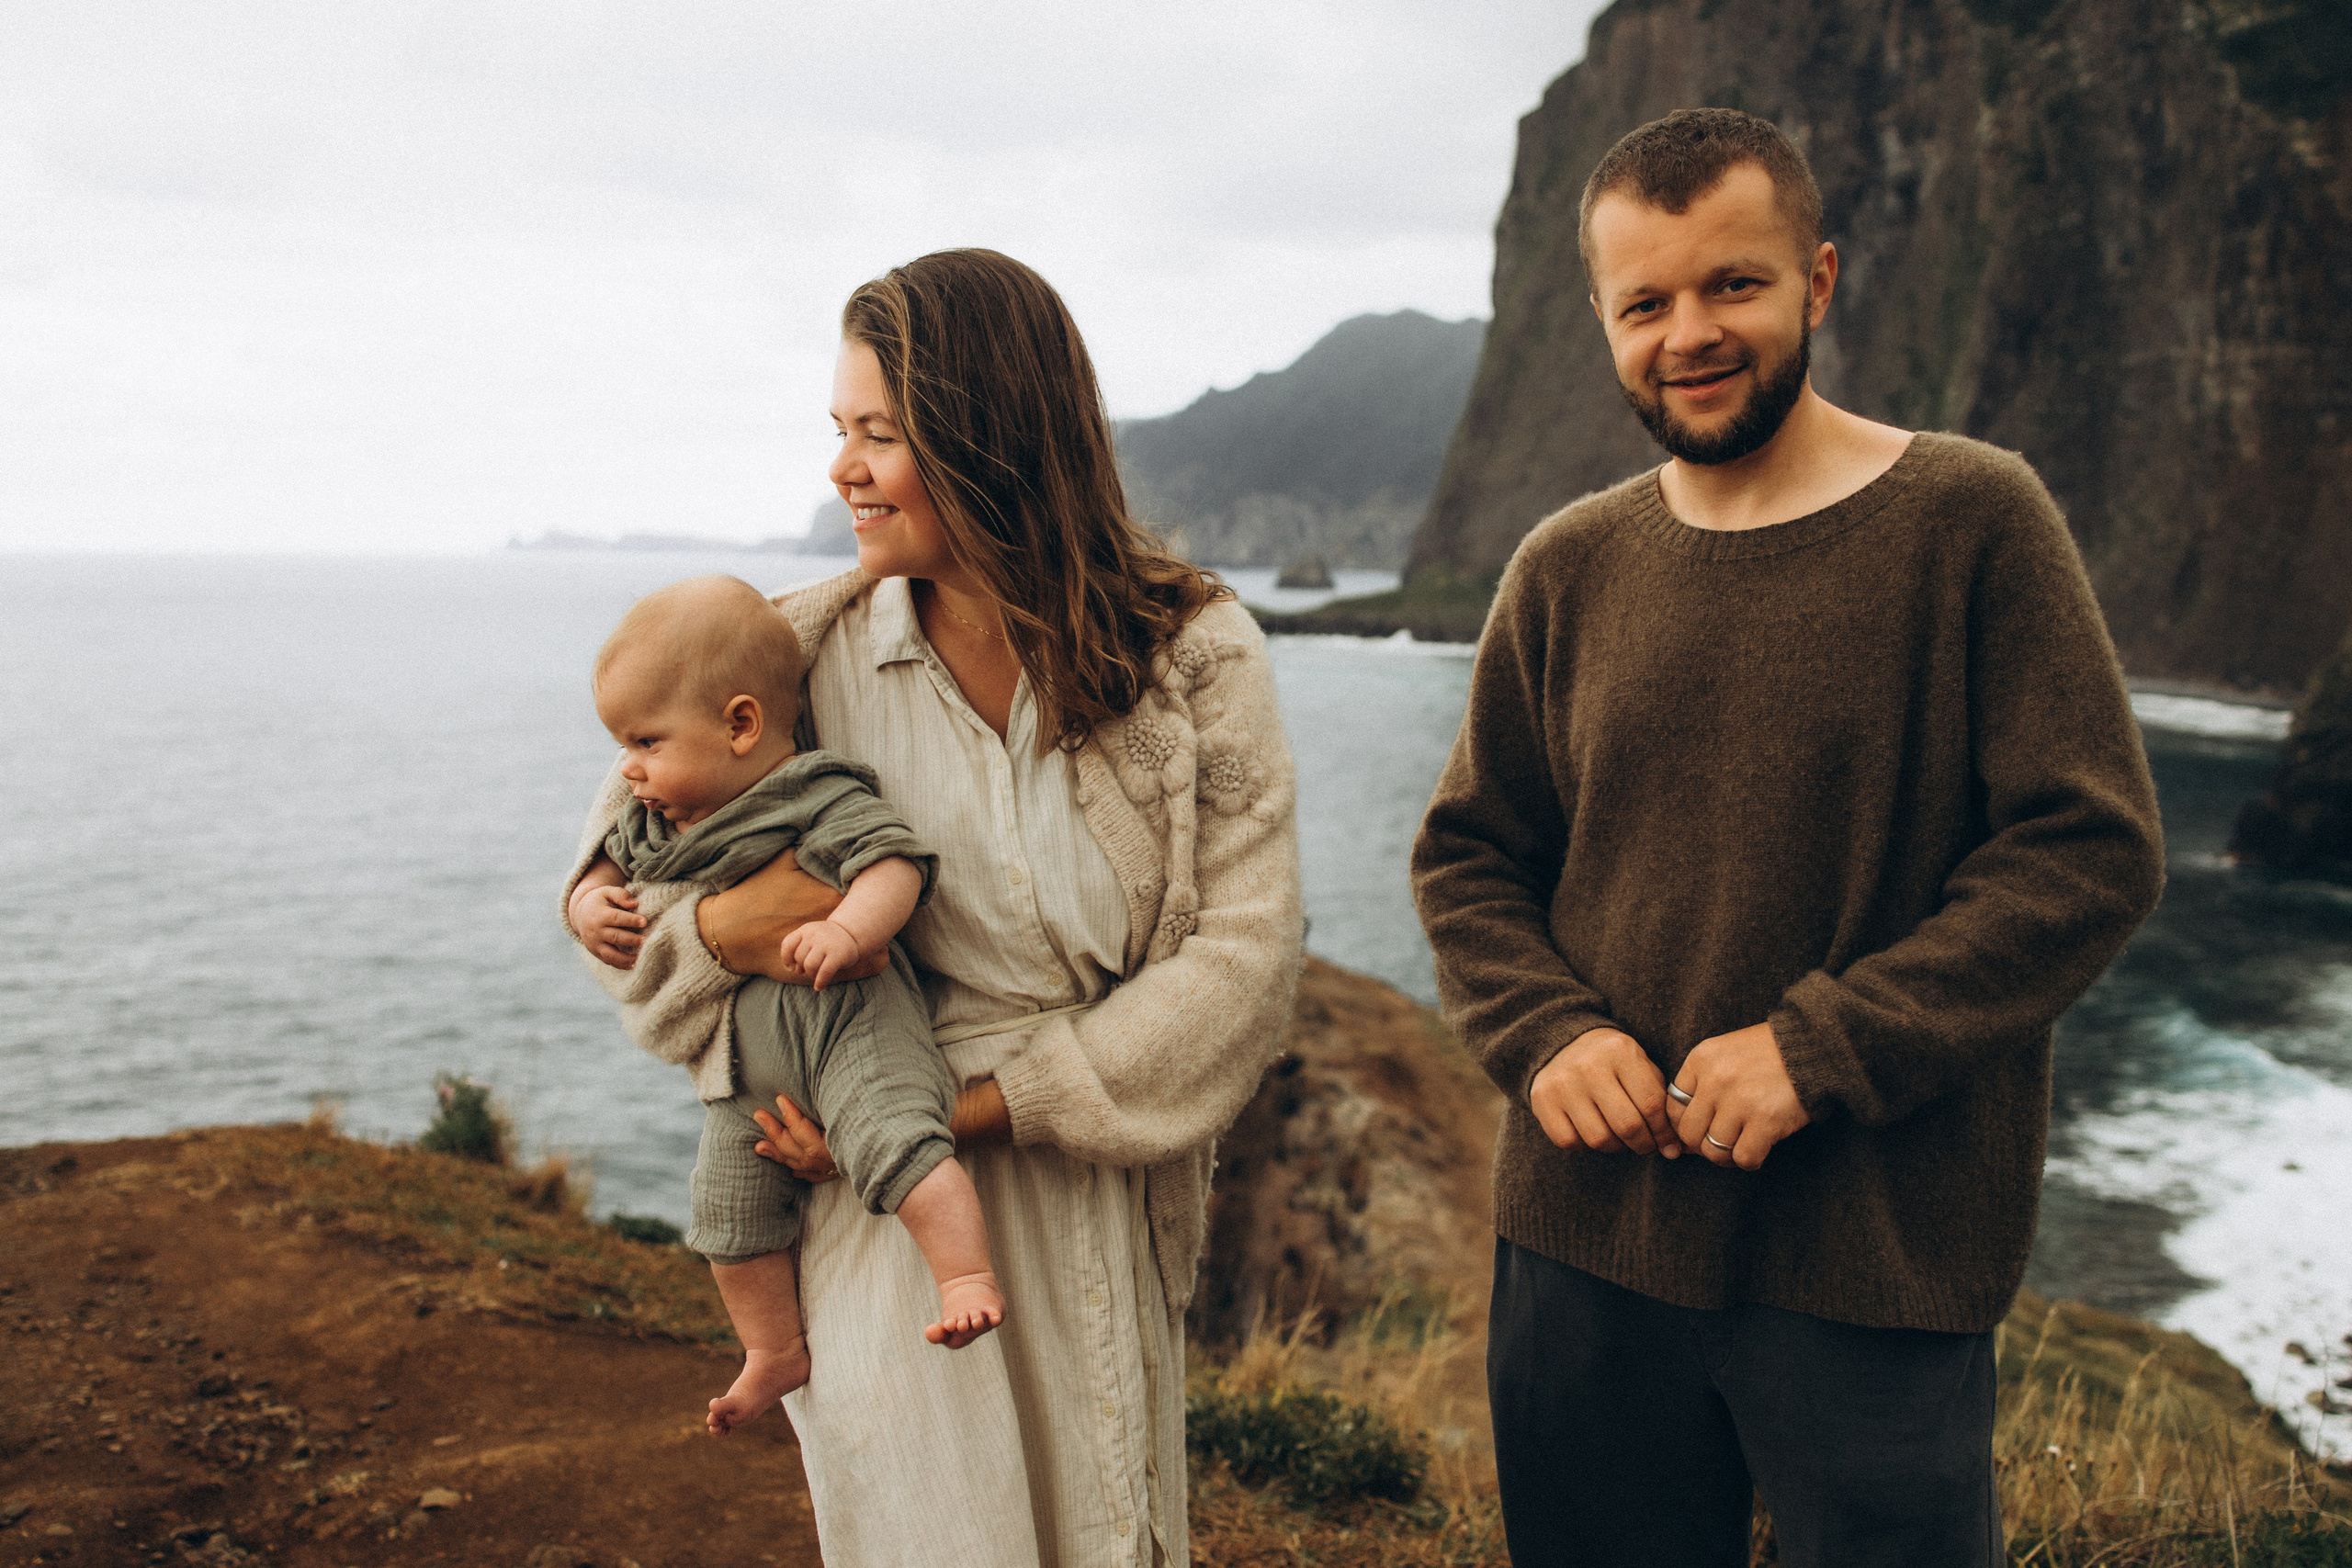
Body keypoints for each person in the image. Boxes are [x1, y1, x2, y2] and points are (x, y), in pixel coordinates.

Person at [1410, 108, 2165, 1568]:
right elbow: (1469, 854)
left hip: (1873, 1261)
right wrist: (1548, 1029)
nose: (1688, 332)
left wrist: (1823, 1049)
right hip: (1584, 1244)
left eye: (1732, 285)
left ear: (1816, 280)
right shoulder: (1564, 565)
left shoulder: (1975, 519)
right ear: (1604, 322)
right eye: (1646, 303)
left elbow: (2087, 850)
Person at [565, 248, 1301, 1566]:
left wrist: (965, 1105)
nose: (842, 468)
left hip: (1080, 1194)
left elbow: (1243, 968)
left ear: (987, 436)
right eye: (838, 431)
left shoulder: (1192, 654)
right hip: (873, 1225)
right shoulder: (787, 657)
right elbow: (630, 902)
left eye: (879, 434)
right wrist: (723, 935)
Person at [566, 574, 1005, 1438]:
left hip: (851, 1026)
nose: (628, 768)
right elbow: (599, 870)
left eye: (645, 741)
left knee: (903, 1146)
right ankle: (773, 1350)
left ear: (741, 723)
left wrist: (848, 926)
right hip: (746, 1075)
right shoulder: (657, 824)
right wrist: (589, 907)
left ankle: (965, 1278)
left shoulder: (813, 791)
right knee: (726, 1216)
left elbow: (896, 865)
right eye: (623, 743)